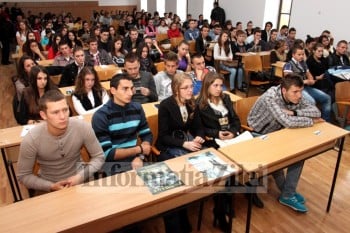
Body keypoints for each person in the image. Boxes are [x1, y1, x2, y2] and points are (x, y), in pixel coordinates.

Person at [247, 74, 323, 213]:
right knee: (280, 157)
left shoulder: (294, 94)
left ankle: (288, 193)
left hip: (278, 131)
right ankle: (288, 193)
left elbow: (316, 111)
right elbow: (288, 122)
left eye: (301, 91)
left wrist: (294, 112)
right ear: (283, 90)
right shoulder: (271, 97)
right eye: (295, 92)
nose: (299, 96)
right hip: (257, 134)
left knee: (300, 154)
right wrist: (311, 121)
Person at [17, 89, 104, 194]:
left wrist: (80, 177)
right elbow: (24, 176)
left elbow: (99, 157)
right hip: (47, 187)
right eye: (55, 112)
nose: (63, 117)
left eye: (65, 110)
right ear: (43, 115)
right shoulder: (31, 139)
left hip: (81, 180)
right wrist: (51, 186)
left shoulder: (82, 127)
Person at [156, 72, 205, 233]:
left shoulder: (192, 103)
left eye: (191, 86)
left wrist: (199, 136)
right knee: (179, 176)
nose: (190, 90)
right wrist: (185, 143)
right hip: (169, 146)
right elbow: (163, 136)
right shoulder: (165, 105)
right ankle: (180, 212)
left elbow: (198, 126)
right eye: (185, 88)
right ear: (176, 89)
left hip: (187, 143)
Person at [194, 71, 240, 231]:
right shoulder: (199, 104)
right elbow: (199, 129)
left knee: (247, 159)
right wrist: (217, 134)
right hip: (213, 142)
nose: (219, 89)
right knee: (221, 172)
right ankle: (220, 210)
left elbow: (236, 120)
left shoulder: (226, 98)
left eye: (221, 85)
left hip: (232, 138)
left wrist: (233, 132)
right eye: (215, 85)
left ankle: (247, 193)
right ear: (207, 86)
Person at [92, 73, 152, 175]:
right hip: (113, 165)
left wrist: (140, 156)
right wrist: (139, 149)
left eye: (131, 88)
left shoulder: (137, 108)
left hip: (136, 159)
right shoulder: (101, 116)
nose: (130, 93)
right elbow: (108, 153)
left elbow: (146, 134)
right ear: (113, 91)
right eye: (125, 89)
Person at [284, 45, 332, 122]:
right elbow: (288, 81)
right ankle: (311, 121)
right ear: (293, 55)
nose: (301, 56)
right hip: (297, 90)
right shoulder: (288, 65)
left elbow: (308, 74)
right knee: (311, 101)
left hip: (306, 87)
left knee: (327, 98)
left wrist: (311, 80)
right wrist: (305, 81)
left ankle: (326, 121)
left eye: (303, 54)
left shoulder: (303, 63)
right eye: (299, 55)